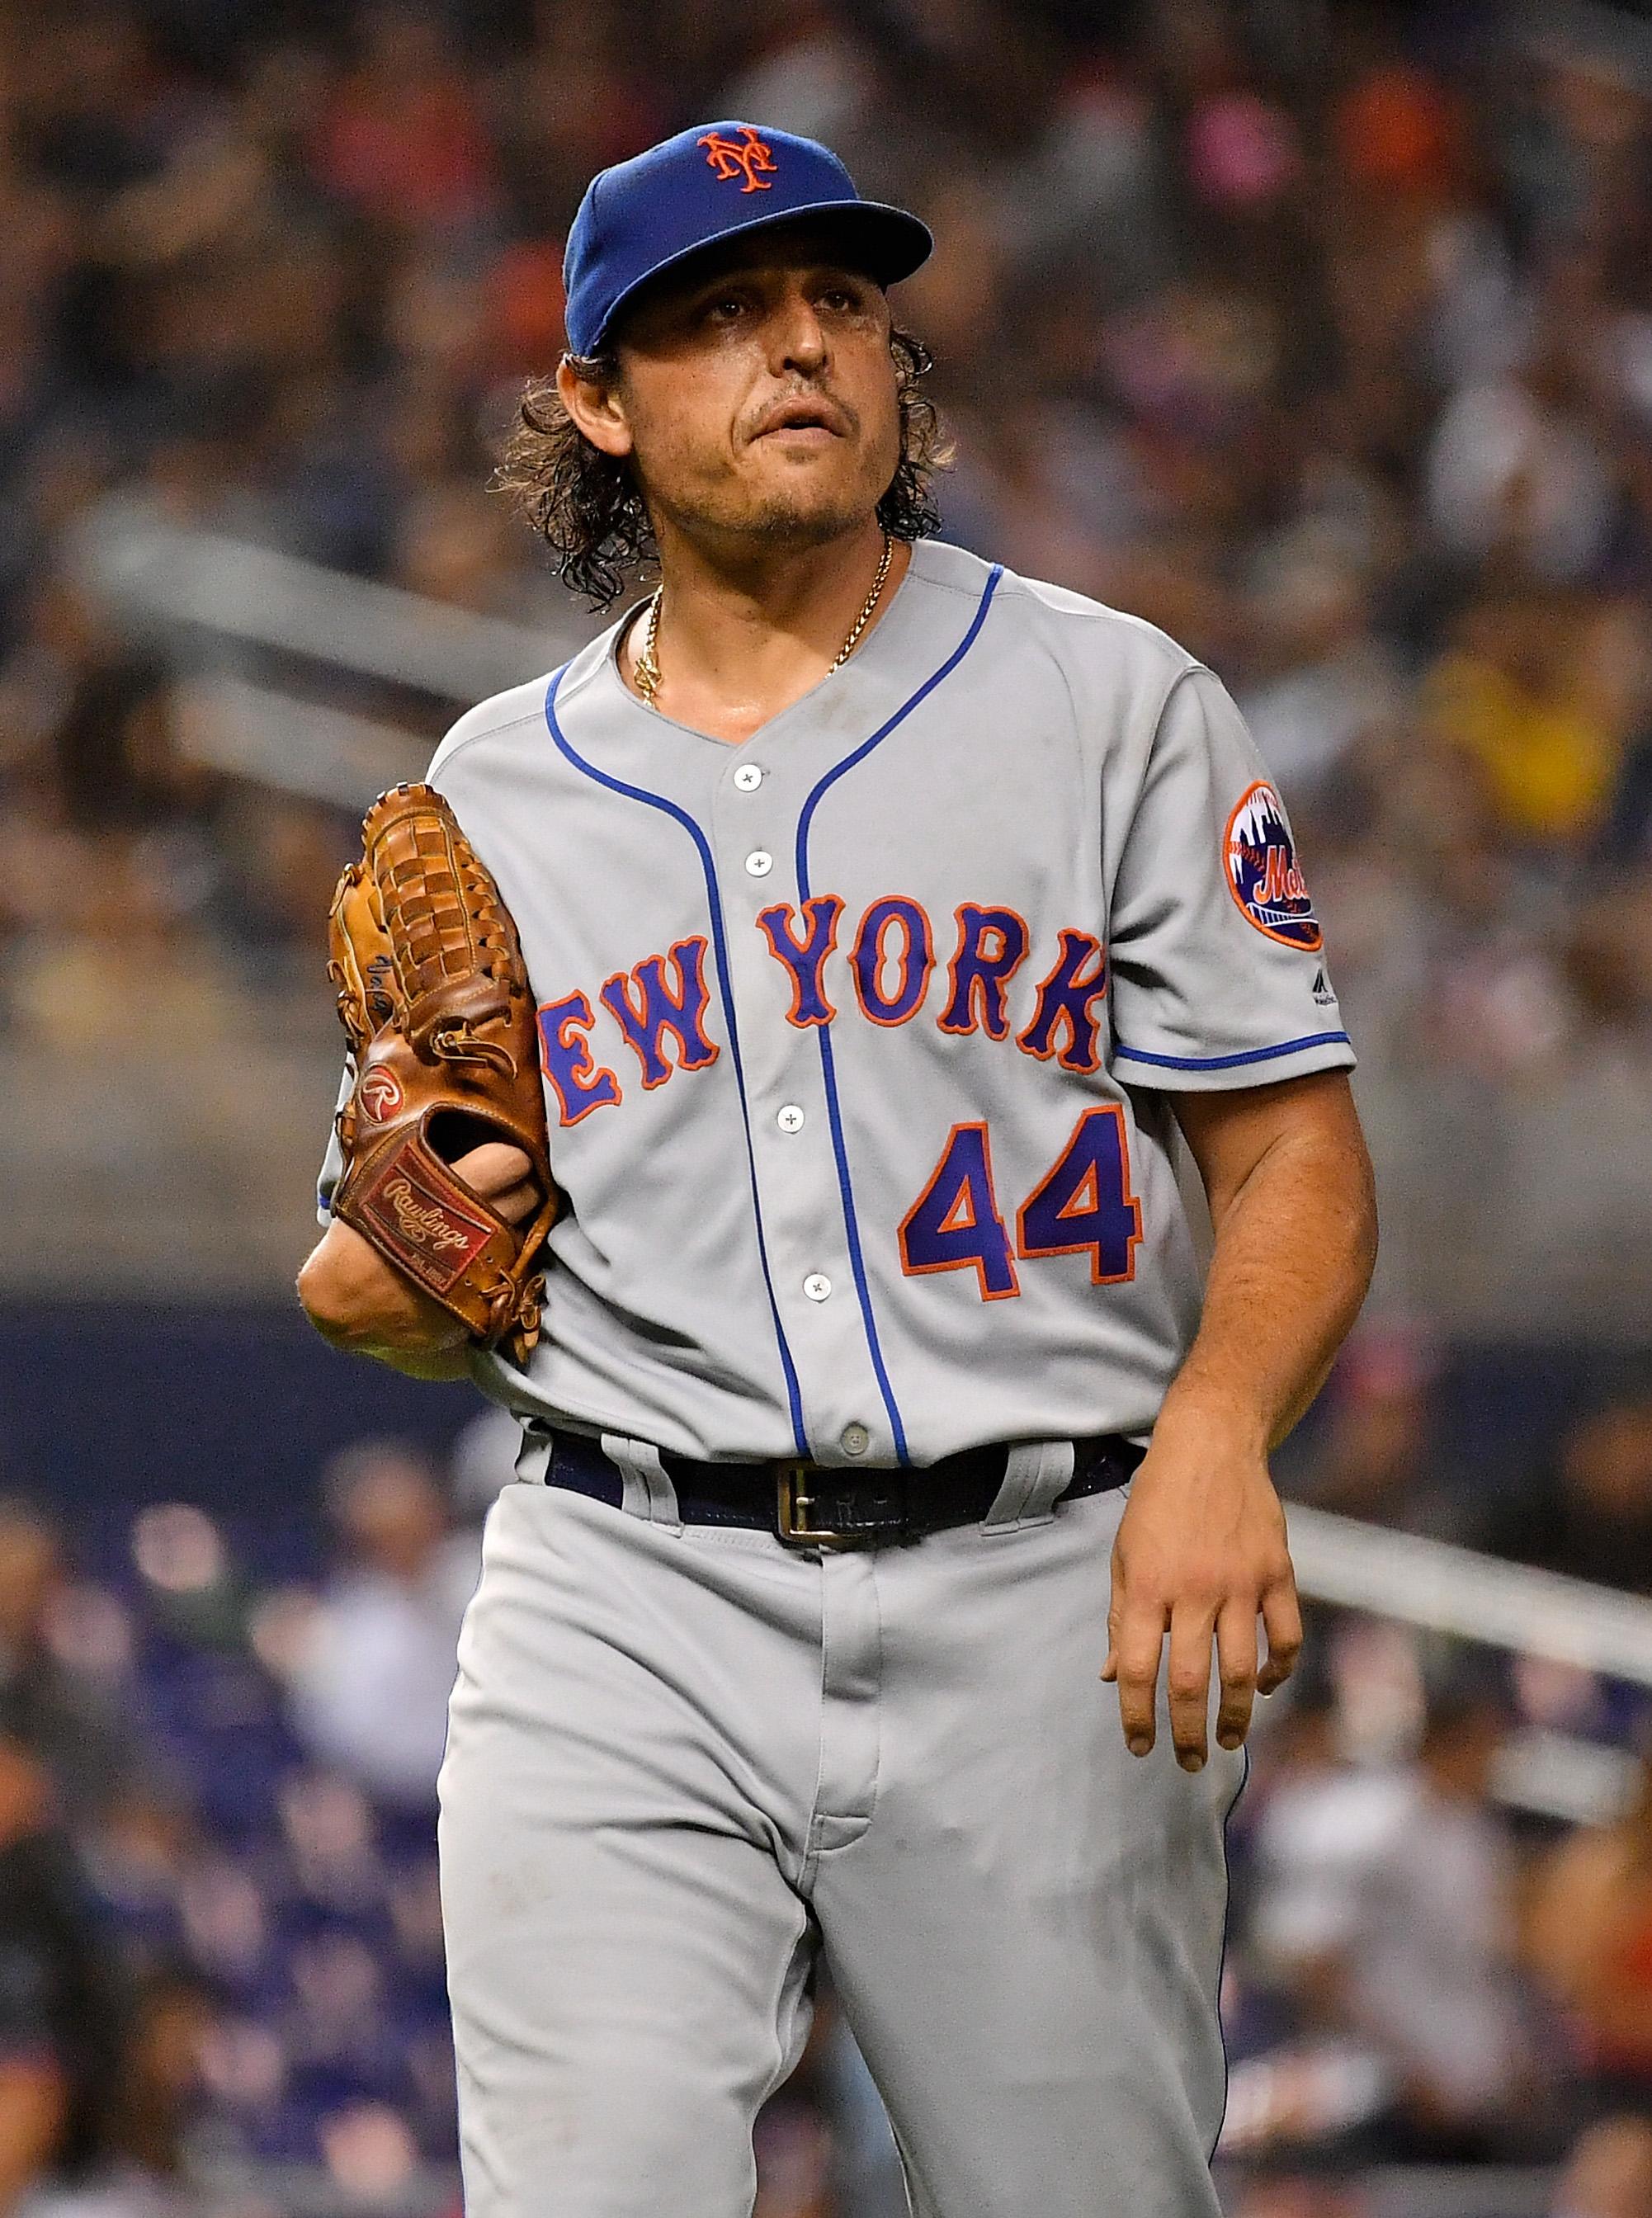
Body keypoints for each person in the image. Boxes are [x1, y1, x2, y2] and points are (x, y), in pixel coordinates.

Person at [297, 120, 1377, 2218]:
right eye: (717, 317)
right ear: (595, 407)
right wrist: (379, 1275)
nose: (797, 347)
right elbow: (411, 1235)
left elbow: (1294, 1157)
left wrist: (1222, 1429)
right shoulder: (494, 786)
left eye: (836, 304)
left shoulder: (1107, 701)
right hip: (624, 1590)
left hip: (1040, 1593)